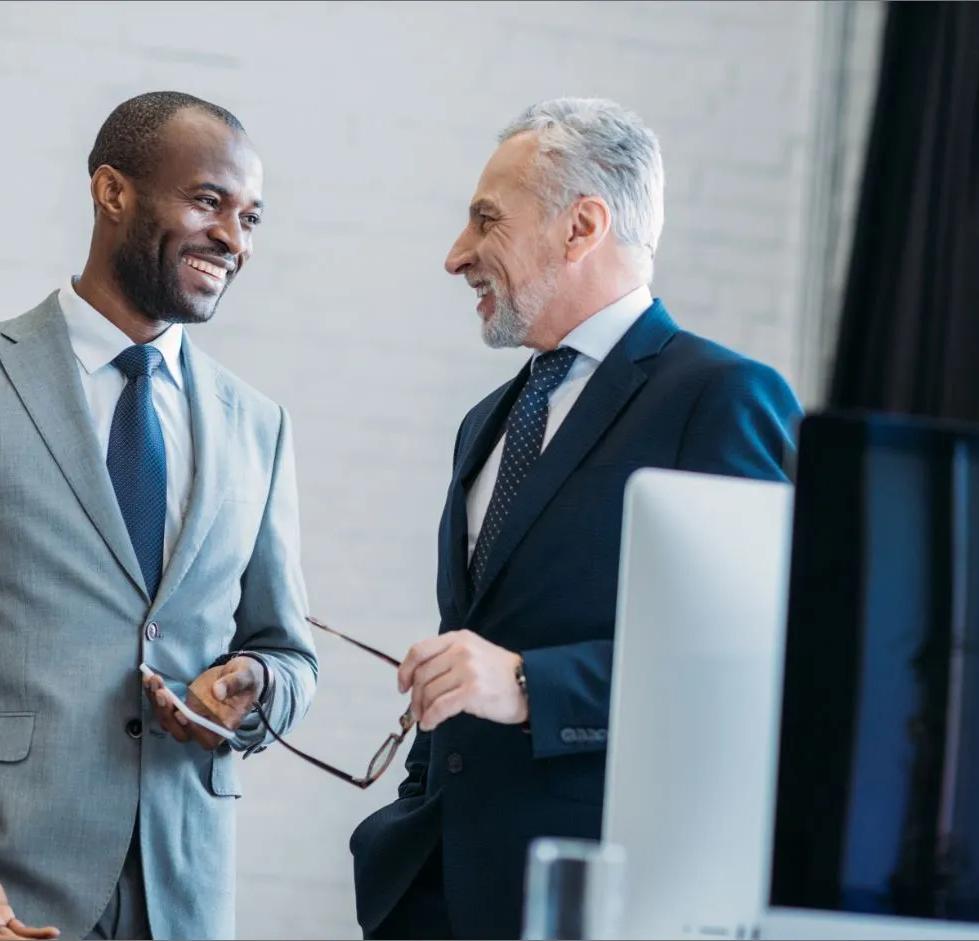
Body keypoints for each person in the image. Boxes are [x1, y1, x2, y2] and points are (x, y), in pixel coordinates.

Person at [348, 97, 804, 940]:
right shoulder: (484, 422)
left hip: (604, 900)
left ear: (581, 225)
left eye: (486, 220)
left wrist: (528, 685)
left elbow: (761, 660)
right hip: (435, 893)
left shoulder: (719, 398)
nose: (457, 256)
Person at [0, 91, 319, 941]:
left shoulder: (259, 425)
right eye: (208, 201)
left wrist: (255, 687)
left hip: (179, 902)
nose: (234, 237)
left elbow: (288, 651)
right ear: (112, 192)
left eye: (251, 217)